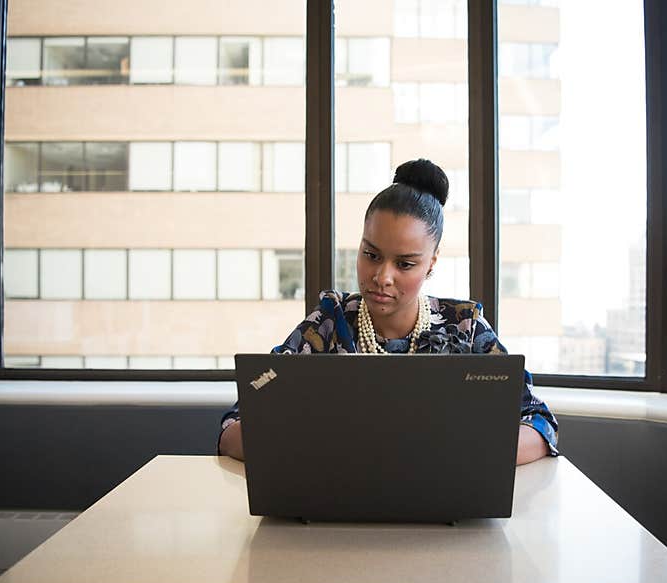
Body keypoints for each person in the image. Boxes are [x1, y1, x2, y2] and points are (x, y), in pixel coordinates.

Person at [218, 159, 559, 464]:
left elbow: (540, 424)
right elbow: (234, 427)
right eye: (371, 255)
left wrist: (463, 453)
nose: (382, 277)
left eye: (405, 264)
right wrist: (315, 446)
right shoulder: (327, 324)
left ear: (432, 263)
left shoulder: (465, 329)